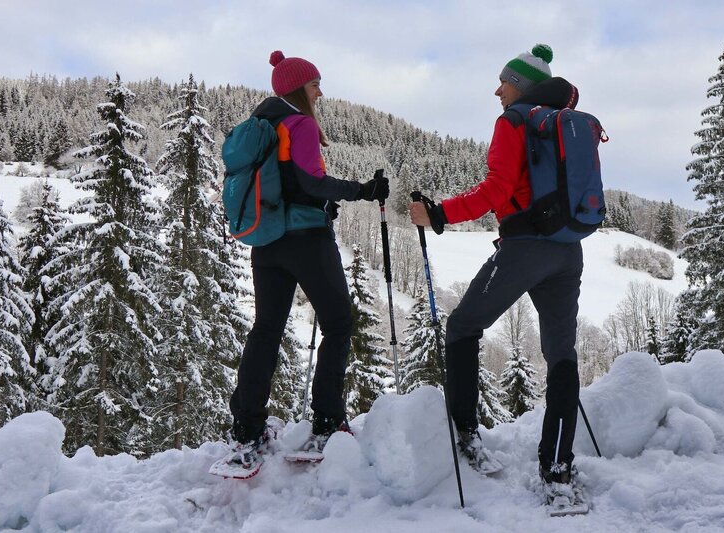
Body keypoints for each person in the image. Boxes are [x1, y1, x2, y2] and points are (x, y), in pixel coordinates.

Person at [408, 44, 583, 494]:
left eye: (504, 82)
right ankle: (558, 468)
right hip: (569, 250)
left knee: (462, 326)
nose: (497, 90)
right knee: (562, 355)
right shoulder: (567, 124)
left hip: (524, 249)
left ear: (521, 85)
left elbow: (496, 190)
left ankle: (465, 434)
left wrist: (439, 213)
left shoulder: (515, 121)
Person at [229, 50, 389, 465]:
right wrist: (361, 190)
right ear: (298, 88)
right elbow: (311, 182)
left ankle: (247, 428)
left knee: (266, 330)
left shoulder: (263, 125)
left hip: (267, 241)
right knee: (338, 324)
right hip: (306, 240)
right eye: (315, 84)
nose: (320, 92)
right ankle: (328, 421)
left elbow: (287, 182)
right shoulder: (299, 124)